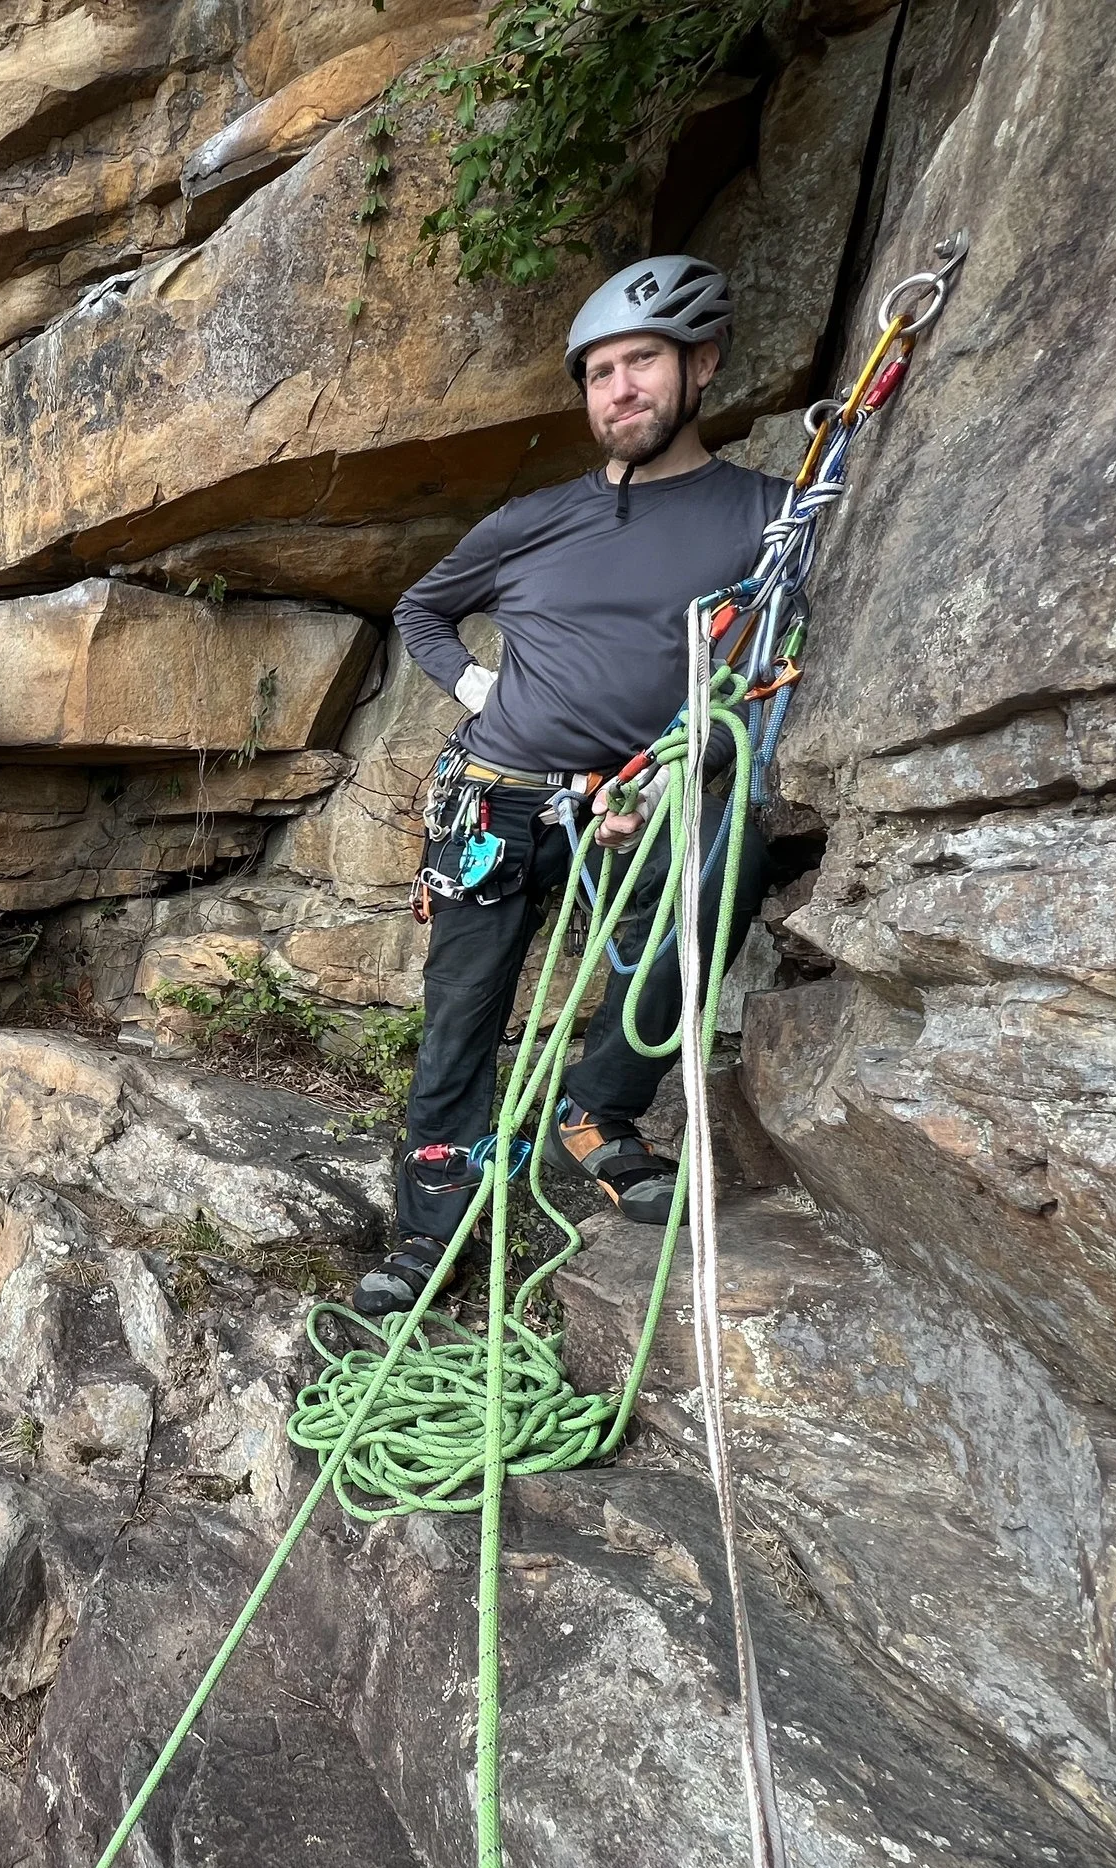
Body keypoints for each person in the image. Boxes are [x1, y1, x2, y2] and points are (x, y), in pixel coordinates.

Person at [354, 253, 786, 1318]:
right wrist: (479, 685)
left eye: (641, 363)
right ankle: (432, 1215)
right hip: (497, 799)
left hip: (641, 800)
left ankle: (594, 1113)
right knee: (462, 1011)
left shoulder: (766, 521)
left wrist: (689, 766)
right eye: (597, 374)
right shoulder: (532, 522)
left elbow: (771, 673)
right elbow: (420, 610)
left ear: (703, 366)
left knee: (690, 931)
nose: (618, 391)